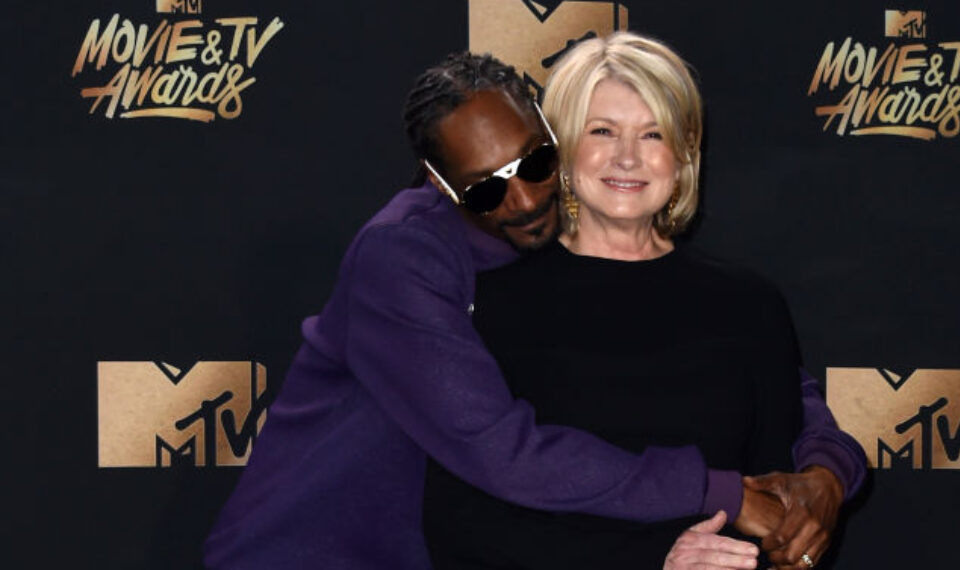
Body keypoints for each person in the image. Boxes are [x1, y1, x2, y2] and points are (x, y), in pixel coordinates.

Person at [203, 51, 864, 570]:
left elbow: (777, 380)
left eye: (537, 162)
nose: (522, 199)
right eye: (487, 189)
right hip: (318, 553)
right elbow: (503, 453)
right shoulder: (407, 258)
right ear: (441, 185)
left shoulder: (708, 288)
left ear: (549, 133)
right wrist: (719, 492)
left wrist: (828, 469)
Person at [422, 33, 857, 570]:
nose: (628, 157)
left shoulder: (750, 306)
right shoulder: (490, 304)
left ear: (682, 155)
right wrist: (655, 561)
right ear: (558, 148)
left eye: (653, 134)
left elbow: (778, 511)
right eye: (602, 131)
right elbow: (459, 524)